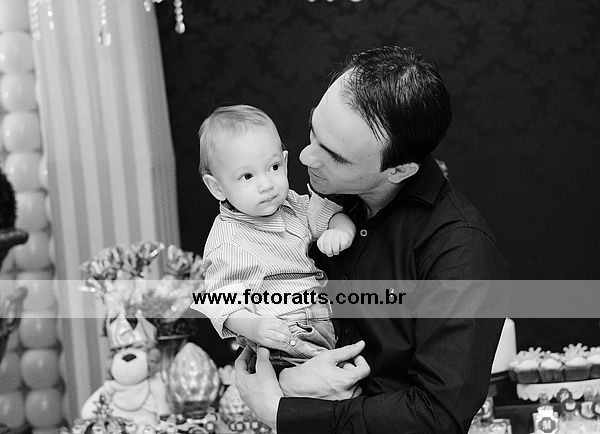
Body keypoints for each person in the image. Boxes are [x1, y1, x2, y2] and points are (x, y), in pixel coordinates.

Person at [234, 46, 508, 433]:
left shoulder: (460, 247)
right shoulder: (310, 207)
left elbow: (438, 415)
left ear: (399, 170)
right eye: (313, 130)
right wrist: (287, 378)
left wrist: (288, 410)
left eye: (335, 156)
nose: (306, 157)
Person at [193, 105, 356, 368]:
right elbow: (223, 304)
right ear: (217, 187)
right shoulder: (229, 241)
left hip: (324, 323)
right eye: (247, 176)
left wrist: (341, 231)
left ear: (285, 162)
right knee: (332, 384)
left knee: (347, 379)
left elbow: (332, 215)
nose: (266, 184)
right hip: (282, 336)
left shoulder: (294, 205)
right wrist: (255, 327)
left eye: (274, 167)